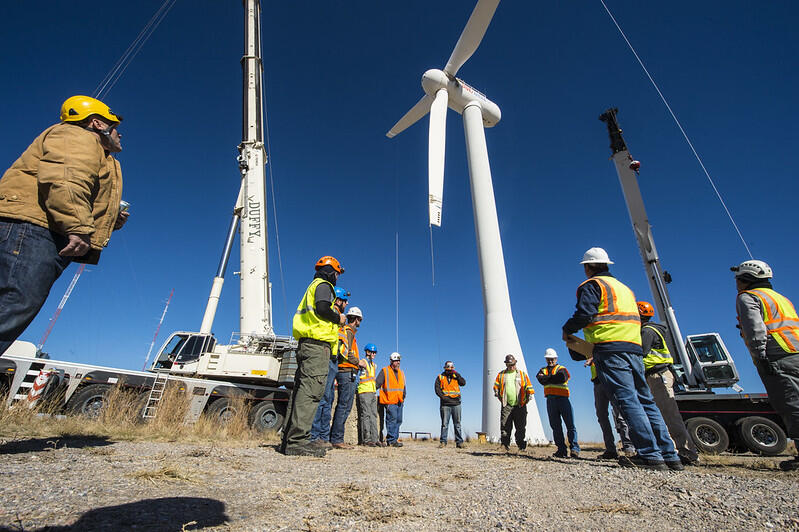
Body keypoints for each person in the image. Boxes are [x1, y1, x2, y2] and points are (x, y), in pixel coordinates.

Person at [0, 96, 129, 356]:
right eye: (114, 126)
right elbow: (67, 178)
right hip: (33, 230)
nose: (120, 133)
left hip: (33, 231)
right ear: (96, 123)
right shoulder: (78, 136)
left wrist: (111, 218)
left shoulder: (101, 155)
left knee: (13, 306)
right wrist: (78, 227)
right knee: (15, 305)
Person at [562, 247, 682, 471]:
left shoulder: (592, 285)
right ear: (607, 265)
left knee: (627, 400)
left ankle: (649, 454)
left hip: (610, 348)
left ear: (587, 267)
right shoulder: (625, 289)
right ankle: (669, 454)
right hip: (634, 348)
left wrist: (568, 329)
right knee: (646, 400)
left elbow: (585, 313)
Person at [732, 259, 799, 472]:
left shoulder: (748, 297)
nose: (736, 283)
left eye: (737, 279)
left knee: (792, 404)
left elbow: (755, 330)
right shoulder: (780, 298)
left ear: (745, 279)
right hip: (795, 351)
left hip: (778, 356)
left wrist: (760, 357)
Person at [280, 256, 346, 457]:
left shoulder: (313, 286)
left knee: (301, 391)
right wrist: (339, 318)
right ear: (330, 271)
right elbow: (323, 309)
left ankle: (289, 440)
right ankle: (298, 442)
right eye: (336, 273)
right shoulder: (324, 285)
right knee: (310, 392)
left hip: (307, 345)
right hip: (316, 347)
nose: (337, 277)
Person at [637, 301, 700, 466]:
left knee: (669, 415)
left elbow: (640, 352)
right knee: (662, 415)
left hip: (658, 374)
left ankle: (687, 453)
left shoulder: (647, 332)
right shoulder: (651, 330)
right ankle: (670, 450)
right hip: (655, 375)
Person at [309, 287, 352, 448]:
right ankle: (315, 437)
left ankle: (323, 437)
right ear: (338, 300)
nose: (346, 303)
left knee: (328, 399)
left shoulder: (337, 318)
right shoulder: (332, 315)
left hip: (333, 359)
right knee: (322, 398)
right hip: (326, 357)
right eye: (344, 300)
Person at [328, 306, 365, 449]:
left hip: (346, 371)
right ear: (357, 319)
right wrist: (358, 362)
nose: (360, 322)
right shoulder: (349, 332)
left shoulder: (349, 332)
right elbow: (347, 353)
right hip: (346, 371)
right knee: (344, 406)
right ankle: (337, 439)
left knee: (344, 406)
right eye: (360, 319)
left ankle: (336, 437)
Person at [585, 358, 635, 459]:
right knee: (601, 416)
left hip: (611, 379)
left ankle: (629, 447)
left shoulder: (603, 344)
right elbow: (576, 356)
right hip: (598, 382)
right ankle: (610, 449)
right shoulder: (589, 347)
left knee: (620, 415)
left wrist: (594, 357)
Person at [536, 349, 580, 458]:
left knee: (570, 424)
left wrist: (548, 379)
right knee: (555, 426)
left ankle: (574, 448)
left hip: (563, 399)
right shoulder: (543, 370)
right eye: (549, 359)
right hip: (550, 400)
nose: (550, 361)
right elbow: (541, 380)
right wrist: (552, 379)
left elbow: (562, 377)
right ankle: (561, 449)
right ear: (546, 359)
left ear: (556, 359)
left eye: (552, 359)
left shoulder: (562, 369)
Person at [493, 354, 535, 453]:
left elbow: (528, 385)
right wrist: (496, 392)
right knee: (505, 425)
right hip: (506, 404)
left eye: (513, 364)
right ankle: (504, 445)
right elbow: (496, 385)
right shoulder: (501, 375)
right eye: (509, 364)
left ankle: (521, 446)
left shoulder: (522, 374)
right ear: (506, 364)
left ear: (515, 363)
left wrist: (530, 394)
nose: (511, 366)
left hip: (520, 404)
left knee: (520, 426)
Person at [376, 352, 405, 447]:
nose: (398, 363)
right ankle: (391, 440)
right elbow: (377, 383)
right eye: (396, 361)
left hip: (399, 401)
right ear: (391, 361)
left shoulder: (401, 373)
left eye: (399, 361)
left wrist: (404, 396)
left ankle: (394, 439)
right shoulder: (385, 371)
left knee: (398, 420)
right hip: (389, 401)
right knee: (392, 420)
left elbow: (403, 386)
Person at [435, 361, 466, 448]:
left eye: (451, 369)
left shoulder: (456, 376)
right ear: (445, 369)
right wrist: (444, 398)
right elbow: (437, 389)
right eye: (448, 370)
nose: (449, 371)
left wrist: (457, 375)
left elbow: (463, 383)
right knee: (445, 424)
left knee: (457, 424)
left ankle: (459, 442)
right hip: (445, 404)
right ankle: (443, 442)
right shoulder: (440, 377)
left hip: (456, 403)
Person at [356, 343, 379, 446]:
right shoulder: (362, 362)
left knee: (374, 415)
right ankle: (367, 439)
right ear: (367, 352)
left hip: (373, 392)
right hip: (364, 392)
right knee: (366, 415)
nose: (373, 354)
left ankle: (375, 439)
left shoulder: (373, 365)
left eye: (375, 352)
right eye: (372, 352)